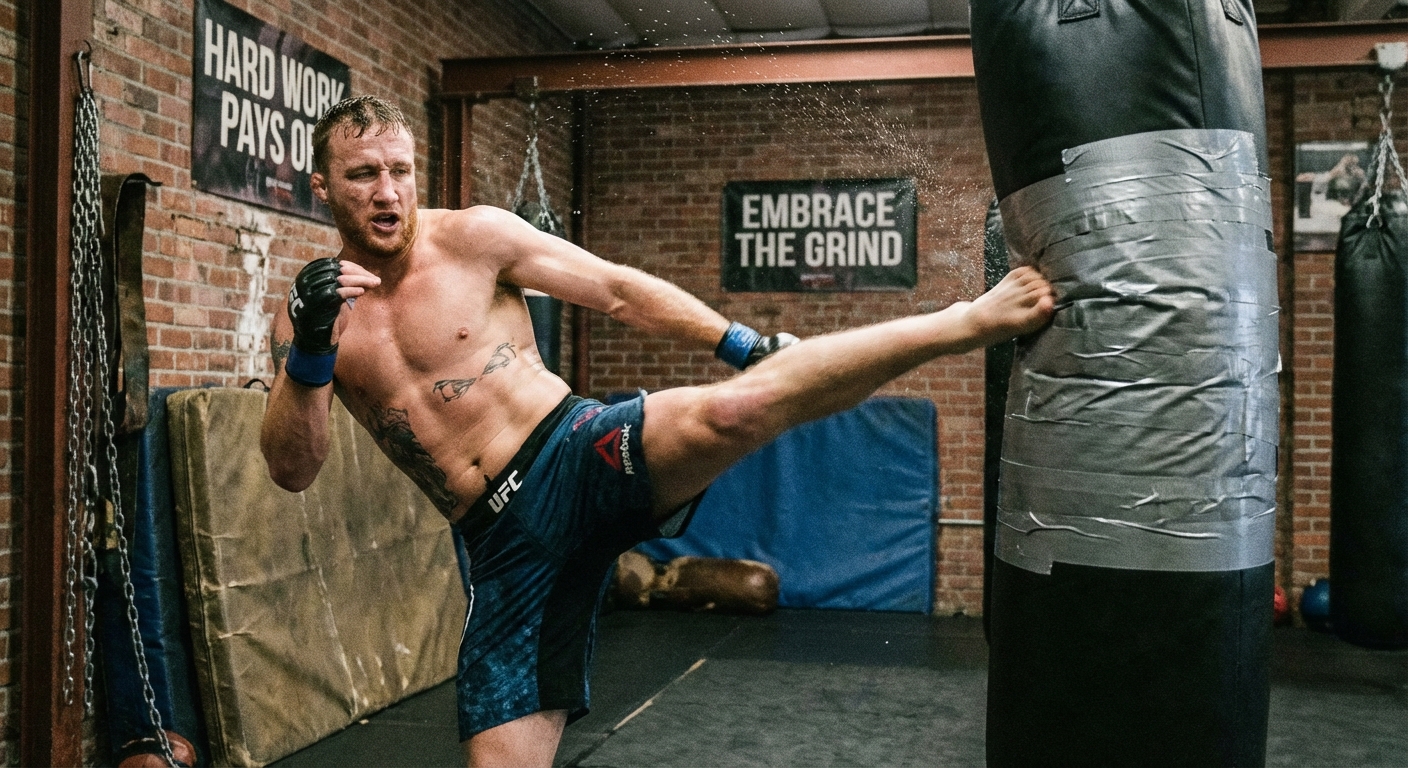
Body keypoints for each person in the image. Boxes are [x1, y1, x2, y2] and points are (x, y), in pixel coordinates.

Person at [259, 95, 1055, 768]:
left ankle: (963, 320)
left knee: (737, 407)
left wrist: (737, 343)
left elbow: (614, 290)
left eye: (400, 170)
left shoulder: (474, 239)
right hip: (501, 545)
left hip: (573, 452)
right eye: (364, 174)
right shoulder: (312, 324)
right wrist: (314, 348)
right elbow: (292, 470)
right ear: (323, 187)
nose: (388, 191)